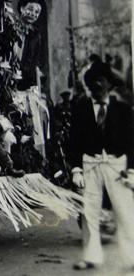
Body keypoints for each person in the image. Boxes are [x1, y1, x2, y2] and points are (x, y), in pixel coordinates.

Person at [68, 60, 134, 271]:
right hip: (91, 164)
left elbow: (132, 141)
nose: (96, 85)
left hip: (117, 166)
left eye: (100, 80)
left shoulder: (123, 110)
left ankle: (131, 257)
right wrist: (76, 169)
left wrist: (132, 169)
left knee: (125, 211)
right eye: (92, 81)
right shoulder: (81, 109)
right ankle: (91, 256)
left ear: (109, 84)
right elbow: (74, 140)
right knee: (90, 211)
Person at [13, 0, 49, 158]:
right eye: (30, 9)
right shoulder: (10, 27)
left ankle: (30, 158)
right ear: (21, 8)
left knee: (32, 119)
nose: (33, 14)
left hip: (25, 81)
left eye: (37, 12)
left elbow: (32, 61)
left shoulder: (36, 35)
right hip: (8, 78)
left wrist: (25, 77)